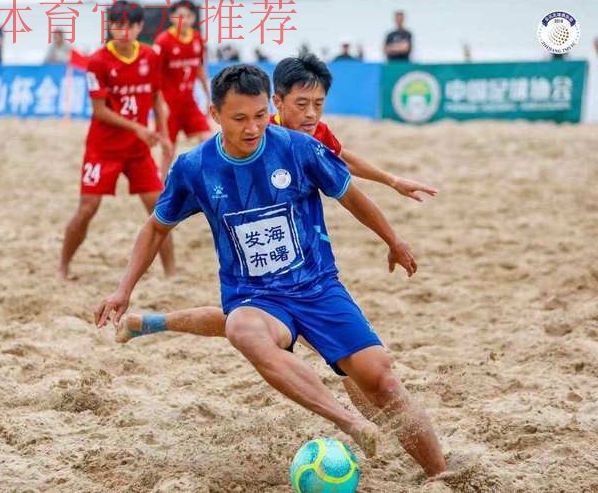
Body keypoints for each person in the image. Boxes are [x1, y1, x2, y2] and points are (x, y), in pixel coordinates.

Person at [96, 63, 447, 477]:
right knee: (240, 328)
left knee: (380, 380)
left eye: (260, 115)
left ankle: (440, 474)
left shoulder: (299, 147)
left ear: (271, 108)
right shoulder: (194, 167)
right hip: (254, 296)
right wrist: (123, 289)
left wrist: (393, 239)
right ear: (215, 114)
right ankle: (349, 422)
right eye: (240, 118)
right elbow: (156, 227)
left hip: (317, 287)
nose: (252, 127)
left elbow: (350, 195)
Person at [59, 0, 175, 279]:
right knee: (87, 208)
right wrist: (138, 128)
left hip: (138, 149)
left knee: (159, 208)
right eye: (117, 25)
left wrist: (164, 135)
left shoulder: (150, 56)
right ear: (110, 26)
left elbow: (157, 98)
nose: (123, 31)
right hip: (103, 148)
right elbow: (100, 111)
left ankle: (172, 273)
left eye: (129, 25)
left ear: (139, 27)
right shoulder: (98, 61)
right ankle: (63, 265)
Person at [153, 0, 212, 176]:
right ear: (172, 17)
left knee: (207, 139)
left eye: (187, 16)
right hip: (168, 104)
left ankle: (202, 178)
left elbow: (200, 68)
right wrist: (160, 105)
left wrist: (208, 96)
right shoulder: (163, 41)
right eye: (179, 16)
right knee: (168, 150)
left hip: (188, 102)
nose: (183, 20)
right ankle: (161, 185)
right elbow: (154, 74)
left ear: (193, 18)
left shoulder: (197, 39)